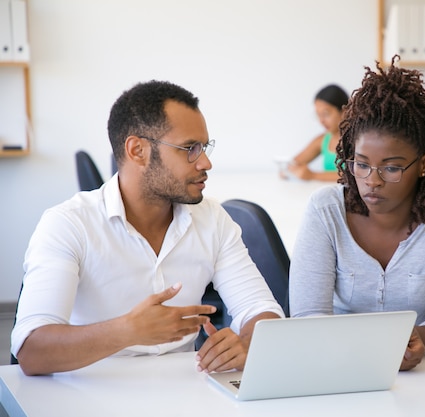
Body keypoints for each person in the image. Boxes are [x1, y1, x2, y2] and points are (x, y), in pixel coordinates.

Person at [11, 80, 284, 376]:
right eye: (189, 148)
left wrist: (246, 342)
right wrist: (127, 331)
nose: (205, 162)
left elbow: (261, 309)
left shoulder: (212, 219)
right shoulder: (69, 224)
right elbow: (32, 351)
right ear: (137, 150)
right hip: (88, 392)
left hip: (185, 390)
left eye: (204, 147)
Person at [288, 56, 425, 371]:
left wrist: (419, 338)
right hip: (335, 367)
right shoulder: (326, 210)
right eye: (361, 164)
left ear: (423, 164)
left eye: (391, 167)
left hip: (424, 377)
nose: (372, 180)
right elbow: (307, 313)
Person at [281, 84, 349, 181]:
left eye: (325, 114)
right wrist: (288, 170)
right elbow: (294, 163)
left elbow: (353, 176)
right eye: (318, 115)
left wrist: (312, 175)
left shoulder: (357, 140)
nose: (321, 121)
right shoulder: (324, 140)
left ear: (344, 111)